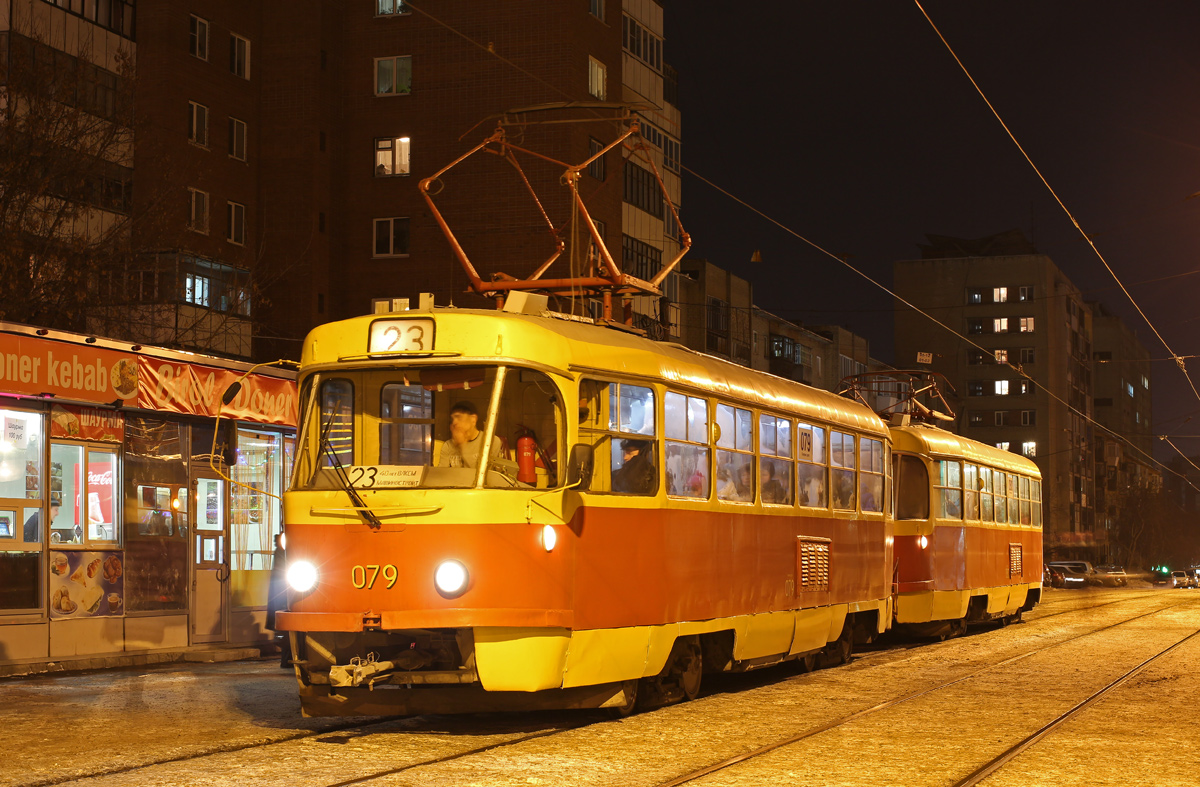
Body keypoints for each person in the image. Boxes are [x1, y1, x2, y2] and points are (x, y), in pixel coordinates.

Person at [438, 401, 502, 469]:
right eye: (453, 419)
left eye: (459, 417)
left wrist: (463, 447)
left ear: (473, 419)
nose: (454, 422)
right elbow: (441, 476)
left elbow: (488, 475)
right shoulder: (448, 446)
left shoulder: (491, 442)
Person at [266, 532, 292, 668]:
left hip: (281, 599)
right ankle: (286, 661)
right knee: (288, 632)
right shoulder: (283, 553)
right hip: (283, 599)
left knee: (286, 632)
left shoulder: (280, 552)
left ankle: (286, 660)